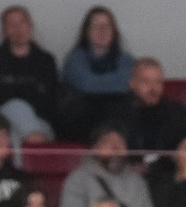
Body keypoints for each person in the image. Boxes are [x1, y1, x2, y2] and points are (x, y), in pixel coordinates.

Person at [58, 125, 165, 207]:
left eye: (120, 142)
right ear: (95, 148)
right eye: (107, 142)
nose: (115, 147)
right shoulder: (78, 179)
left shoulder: (137, 182)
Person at [0, 5, 58, 146]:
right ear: (4, 31)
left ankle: (25, 152)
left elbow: (49, 101)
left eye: (22, 22)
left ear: (30, 26)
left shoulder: (46, 60)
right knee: (16, 107)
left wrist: (12, 91)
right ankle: (35, 146)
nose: (18, 29)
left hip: (39, 121)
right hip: (1, 120)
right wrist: (28, 93)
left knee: (14, 133)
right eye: (11, 25)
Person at [57, 7, 133, 146]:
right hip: (82, 123)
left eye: (107, 26)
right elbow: (88, 84)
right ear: (86, 32)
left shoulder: (126, 60)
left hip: (115, 122)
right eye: (96, 26)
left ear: (114, 31)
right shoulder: (74, 60)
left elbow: (124, 84)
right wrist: (115, 83)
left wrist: (115, 84)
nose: (102, 30)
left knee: (126, 104)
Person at [120, 57, 186, 155]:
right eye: (146, 82)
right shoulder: (118, 113)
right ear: (132, 83)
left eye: (158, 82)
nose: (153, 88)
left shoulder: (177, 112)